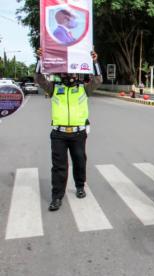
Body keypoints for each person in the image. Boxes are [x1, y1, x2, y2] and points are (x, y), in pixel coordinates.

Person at [35, 48, 102, 211]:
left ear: (77, 74)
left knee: (79, 161)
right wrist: (40, 59)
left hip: (78, 133)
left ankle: (80, 186)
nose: (69, 75)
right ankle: (57, 197)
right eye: (66, 73)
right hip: (58, 134)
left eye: (72, 72)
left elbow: (98, 79)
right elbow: (38, 78)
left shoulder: (84, 88)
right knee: (59, 166)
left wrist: (95, 62)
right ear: (61, 74)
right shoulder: (53, 88)